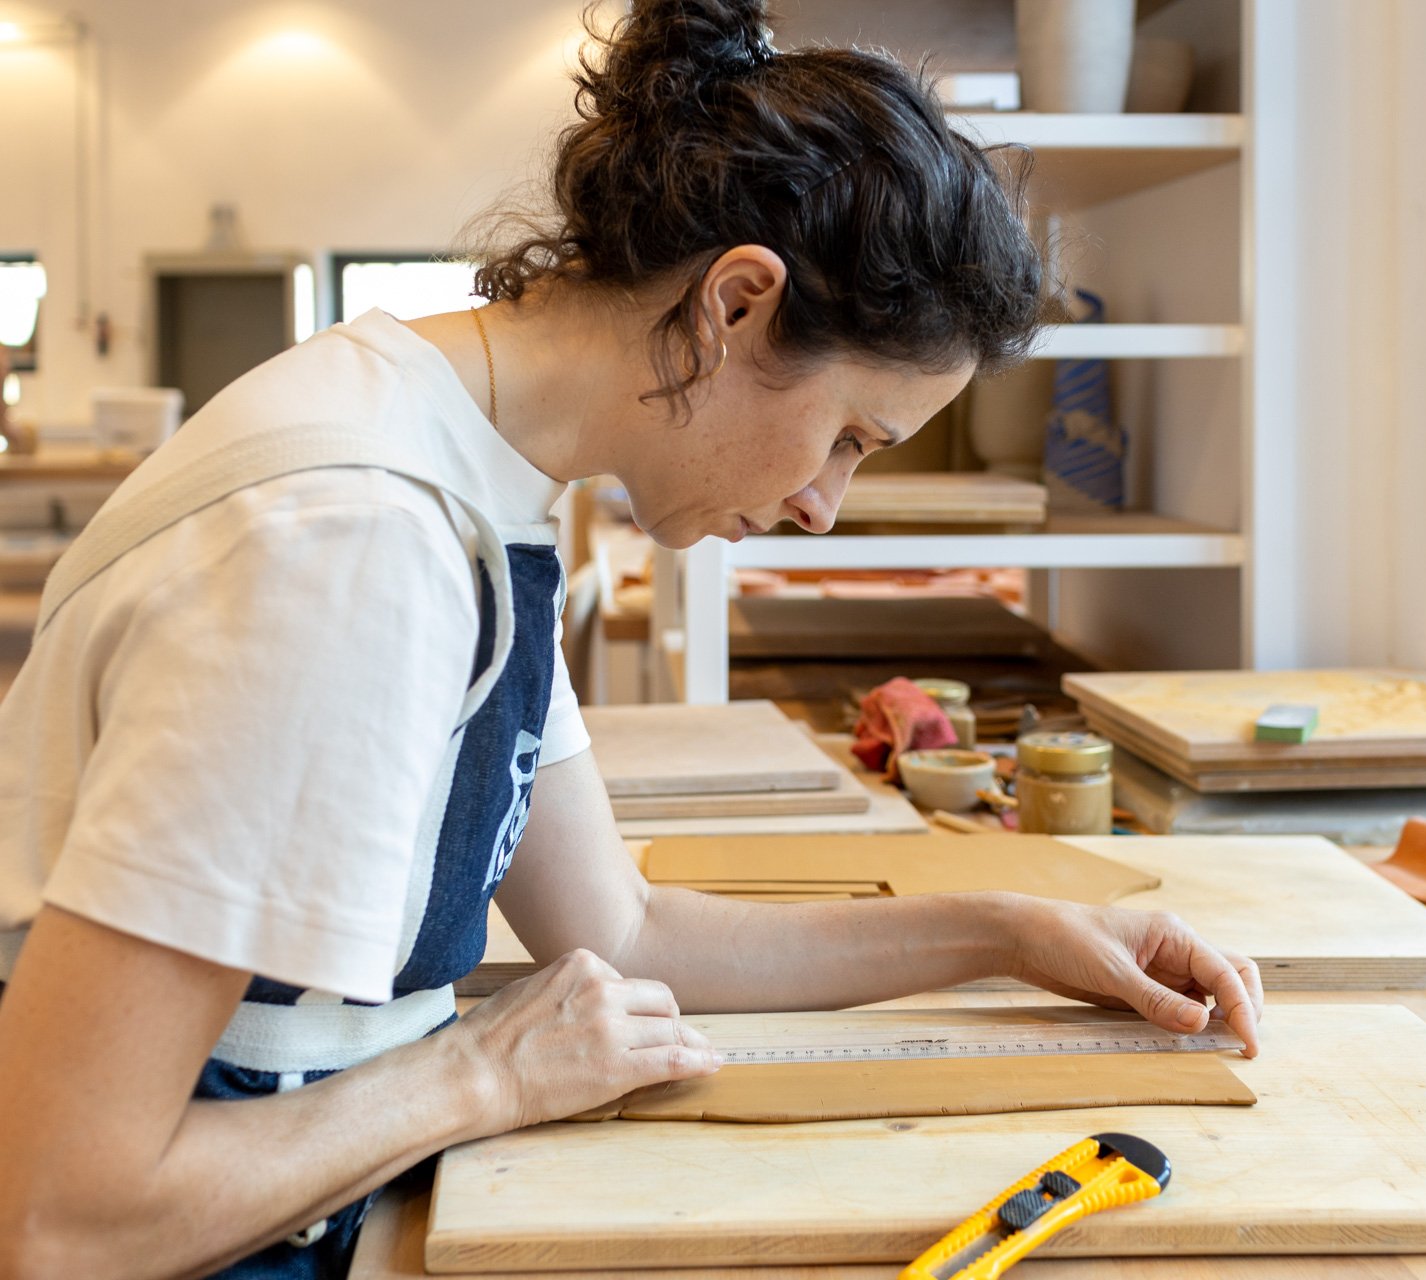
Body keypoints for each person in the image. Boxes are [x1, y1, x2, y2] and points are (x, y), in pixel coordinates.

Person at [0, 3, 1263, 1277]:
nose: (825, 505)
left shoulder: (478, 472)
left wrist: (1012, 929)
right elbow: (58, 1212)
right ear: (737, 302)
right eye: (849, 436)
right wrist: (477, 1077)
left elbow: (627, 928)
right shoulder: (353, 545)